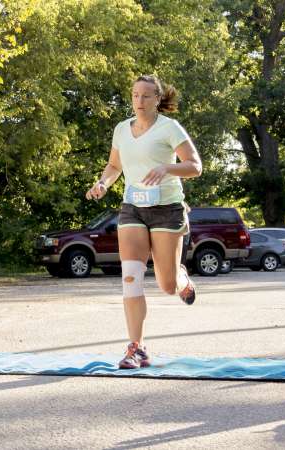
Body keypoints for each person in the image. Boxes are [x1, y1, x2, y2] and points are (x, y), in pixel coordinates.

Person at [86, 75, 202, 369]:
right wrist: (102, 184)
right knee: (130, 278)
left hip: (166, 209)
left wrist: (166, 167)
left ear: (157, 100)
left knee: (166, 285)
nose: (139, 101)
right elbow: (114, 165)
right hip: (132, 208)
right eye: (135, 95)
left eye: (146, 96)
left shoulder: (169, 127)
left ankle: (180, 276)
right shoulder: (122, 130)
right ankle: (137, 348)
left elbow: (195, 166)